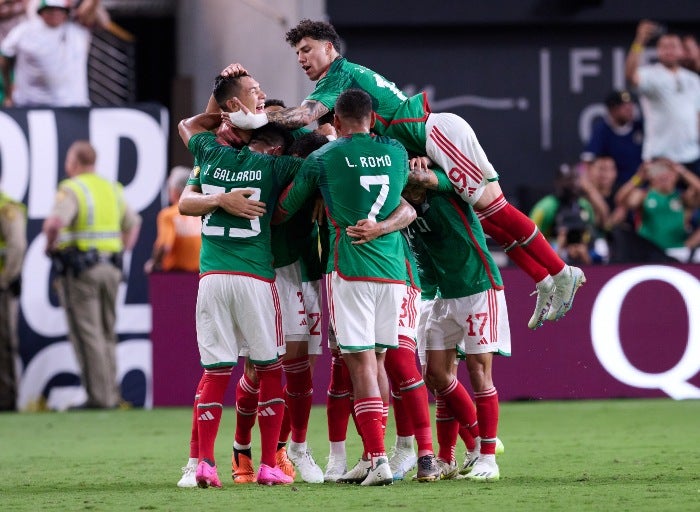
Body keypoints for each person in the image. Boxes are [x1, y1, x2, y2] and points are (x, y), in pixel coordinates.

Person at [223, 19, 586, 331]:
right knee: (483, 220)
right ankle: (542, 278)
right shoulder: (334, 84)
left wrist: (255, 117)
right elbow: (323, 134)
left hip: (436, 134)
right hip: (422, 148)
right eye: (297, 53)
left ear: (330, 49)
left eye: (307, 49)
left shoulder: (339, 75)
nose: (301, 58)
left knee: (495, 209)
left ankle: (561, 271)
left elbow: (303, 118)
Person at [274, 88, 416, 486]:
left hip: (349, 268)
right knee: (380, 361)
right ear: (371, 118)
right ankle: (375, 456)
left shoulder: (323, 158)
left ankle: (378, 460)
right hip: (392, 270)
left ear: (335, 121)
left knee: (359, 363)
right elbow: (402, 204)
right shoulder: (397, 154)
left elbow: (284, 208)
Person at [177, 108, 306, 487]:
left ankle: (203, 464)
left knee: (216, 372)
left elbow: (188, 125)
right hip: (254, 277)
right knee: (269, 369)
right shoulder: (274, 167)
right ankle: (268, 463)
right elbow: (316, 165)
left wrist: (227, 113)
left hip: (212, 277)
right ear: (277, 150)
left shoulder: (210, 155)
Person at [399, 173, 511, 482]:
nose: (408, 184)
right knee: (435, 375)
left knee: (479, 372)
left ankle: (486, 457)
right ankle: (449, 456)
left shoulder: (450, 196)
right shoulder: (405, 211)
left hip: (478, 288)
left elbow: (458, 181)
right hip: (442, 296)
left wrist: (432, 174)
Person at [42, 140, 141, 409]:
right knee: (107, 332)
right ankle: (110, 393)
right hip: (111, 268)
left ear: (74, 162)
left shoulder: (72, 189)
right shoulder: (111, 188)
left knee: (88, 334)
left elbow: (54, 224)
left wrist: (49, 247)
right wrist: (120, 250)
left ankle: (100, 398)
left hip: (82, 270)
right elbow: (133, 224)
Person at [625, 20, 700, 176]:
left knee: (694, 200)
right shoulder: (650, 75)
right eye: (664, 47)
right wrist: (640, 40)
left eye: (673, 46)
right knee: (657, 200)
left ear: (682, 51)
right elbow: (631, 76)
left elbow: (697, 116)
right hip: (660, 157)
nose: (669, 51)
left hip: (692, 155)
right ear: (657, 51)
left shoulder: (693, 80)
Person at [0, 0, 104, 107]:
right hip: (30, 105)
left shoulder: (77, 29)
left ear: (66, 13)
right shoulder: (25, 31)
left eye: (59, 10)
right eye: (50, 9)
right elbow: (5, 57)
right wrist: (8, 91)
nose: (55, 13)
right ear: (41, 12)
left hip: (72, 106)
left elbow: (95, 15)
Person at [615, 157, 700, 262]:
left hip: (677, 251)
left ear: (676, 175)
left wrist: (682, 171)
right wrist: (639, 177)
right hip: (647, 252)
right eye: (659, 170)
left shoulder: (683, 198)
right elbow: (620, 200)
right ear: (651, 176)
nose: (664, 175)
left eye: (668, 171)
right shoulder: (643, 196)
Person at [144, 166, 201, 274]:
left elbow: (164, 246)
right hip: (202, 274)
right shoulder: (202, 212)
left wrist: (154, 264)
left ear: (174, 190)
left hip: (177, 276)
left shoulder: (169, 215)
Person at [580, 90, 644, 185]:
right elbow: (586, 162)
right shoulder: (602, 130)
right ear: (612, 110)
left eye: (630, 105)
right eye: (624, 106)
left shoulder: (641, 127)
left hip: (640, 184)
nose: (629, 109)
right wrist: (584, 181)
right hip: (614, 187)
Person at [0, 187, 26, 411]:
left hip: (1, 289)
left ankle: (6, 401)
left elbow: (17, 246)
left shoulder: (6, 207)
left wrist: (5, 280)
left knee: (4, 343)